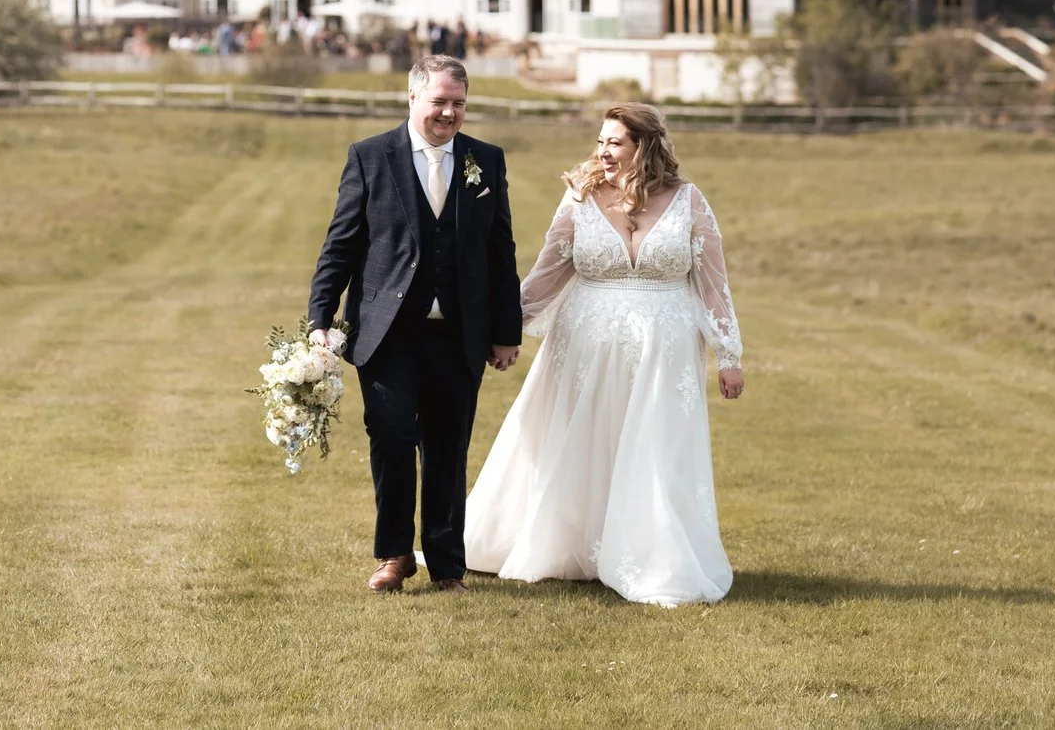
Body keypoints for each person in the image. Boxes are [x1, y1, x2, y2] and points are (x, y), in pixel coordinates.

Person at [462, 102, 743, 605]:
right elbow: (549, 271)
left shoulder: (688, 201)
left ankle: (652, 555)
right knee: (582, 442)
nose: (602, 151)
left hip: (666, 351)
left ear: (645, 146)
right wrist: (507, 328)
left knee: (654, 449)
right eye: (600, 142)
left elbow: (713, 283)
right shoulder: (580, 198)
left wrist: (729, 354)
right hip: (584, 348)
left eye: (614, 142)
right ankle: (572, 544)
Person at [306, 55, 522, 593]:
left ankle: (447, 566)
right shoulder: (371, 157)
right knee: (393, 438)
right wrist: (319, 319)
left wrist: (506, 331)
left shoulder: (485, 161)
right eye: (439, 102)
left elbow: (500, 250)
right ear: (412, 99)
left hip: (459, 334)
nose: (449, 113)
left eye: (459, 104)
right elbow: (341, 245)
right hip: (388, 333)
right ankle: (395, 555)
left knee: (449, 448)